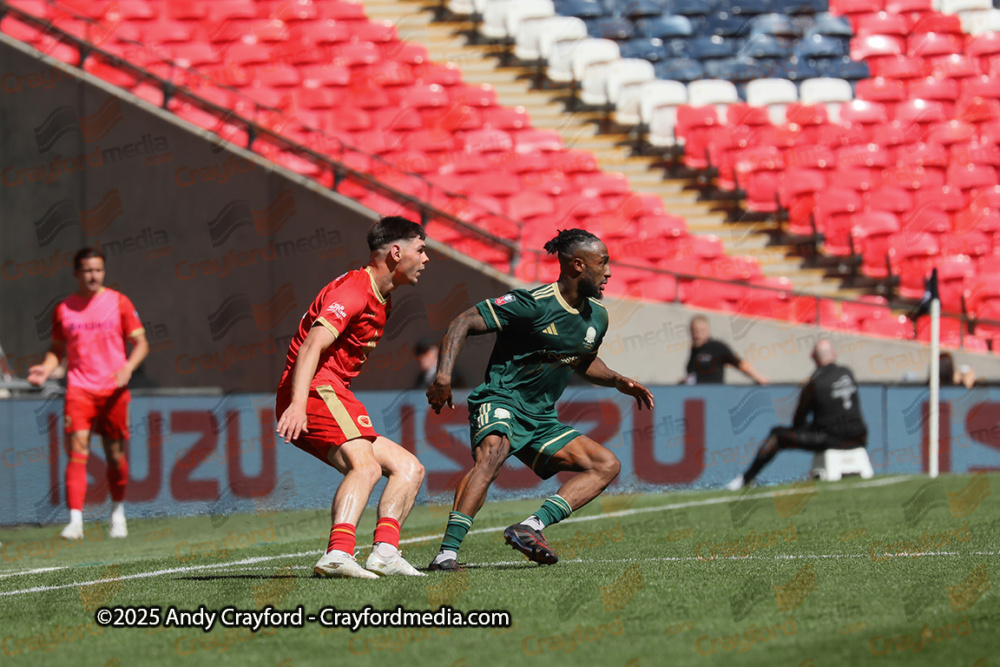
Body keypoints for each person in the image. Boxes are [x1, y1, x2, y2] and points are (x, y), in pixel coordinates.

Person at [425, 228, 654, 571]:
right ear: (578, 265)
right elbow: (462, 322)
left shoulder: (597, 317)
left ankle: (530, 527)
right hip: (501, 398)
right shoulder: (532, 304)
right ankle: (446, 554)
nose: (608, 272)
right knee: (494, 452)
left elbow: (584, 361)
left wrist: (617, 380)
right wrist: (443, 376)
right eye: (602, 263)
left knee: (607, 465)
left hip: (541, 418)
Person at [275, 216, 429, 579]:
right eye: (421, 250)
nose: (426, 259)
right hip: (314, 388)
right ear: (396, 252)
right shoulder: (355, 290)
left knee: (410, 469)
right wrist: (298, 404)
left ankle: (385, 553)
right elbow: (313, 344)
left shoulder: (380, 295)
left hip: (328, 390)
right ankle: (337, 554)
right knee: (367, 466)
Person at [28, 248, 149, 539]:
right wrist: (46, 368)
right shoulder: (64, 309)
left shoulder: (119, 302)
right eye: (87, 270)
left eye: (98, 270)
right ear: (76, 273)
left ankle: (117, 512)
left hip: (114, 392)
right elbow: (57, 351)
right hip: (79, 389)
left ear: (103, 272)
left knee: (115, 455)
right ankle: (75, 521)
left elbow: (142, 344)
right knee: (77, 452)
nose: (93, 275)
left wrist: (128, 368)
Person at [728, 339, 867, 490]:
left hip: (830, 439)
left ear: (812, 357)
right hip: (859, 437)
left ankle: (746, 479)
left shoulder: (813, 383)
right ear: (834, 354)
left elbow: (798, 420)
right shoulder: (847, 373)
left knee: (777, 435)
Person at [682, 315, 767, 385]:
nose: (698, 335)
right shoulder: (694, 350)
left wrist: (758, 377)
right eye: (694, 331)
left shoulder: (716, 347)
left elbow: (739, 363)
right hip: (697, 397)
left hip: (714, 395)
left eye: (702, 331)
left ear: (708, 331)